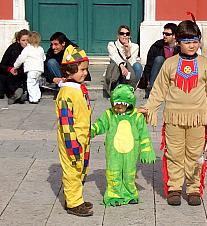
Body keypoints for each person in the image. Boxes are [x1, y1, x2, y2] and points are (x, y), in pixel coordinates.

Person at [139, 20, 207, 206]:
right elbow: (159, 89)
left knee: (195, 155)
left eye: (195, 41)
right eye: (187, 41)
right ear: (178, 42)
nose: (192, 45)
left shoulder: (206, 65)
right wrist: (149, 107)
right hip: (173, 118)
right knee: (174, 153)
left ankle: (193, 188)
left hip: (198, 119)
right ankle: (174, 188)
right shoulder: (169, 64)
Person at [90, 84, 156, 207]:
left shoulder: (136, 117)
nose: (118, 109)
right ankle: (114, 195)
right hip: (113, 151)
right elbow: (100, 125)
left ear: (128, 104)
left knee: (129, 172)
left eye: (121, 107)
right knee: (113, 172)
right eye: (116, 106)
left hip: (131, 152)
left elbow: (143, 135)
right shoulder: (109, 115)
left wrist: (146, 150)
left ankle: (130, 194)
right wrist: (89, 131)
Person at [55, 44, 93, 216]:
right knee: (72, 170)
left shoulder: (77, 88)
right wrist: (72, 144)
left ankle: (76, 197)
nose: (85, 73)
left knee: (80, 169)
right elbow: (66, 122)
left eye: (86, 69)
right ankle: (73, 203)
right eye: (81, 69)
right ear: (69, 71)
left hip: (82, 137)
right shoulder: (66, 93)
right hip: (72, 139)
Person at [141, 23, 179, 98]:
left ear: (174, 36)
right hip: (159, 74)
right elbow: (149, 64)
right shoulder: (157, 46)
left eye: (167, 34)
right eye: (163, 33)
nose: (164, 36)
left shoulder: (180, 48)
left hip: (173, 74)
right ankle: (152, 89)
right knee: (159, 59)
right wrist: (147, 80)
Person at [104, 25, 142, 95]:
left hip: (129, 73)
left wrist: (128, 52)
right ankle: (114, 88)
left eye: (127, 34)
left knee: (137, 66)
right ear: (118, 35)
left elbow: (132, 64)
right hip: (117, 71)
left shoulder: (135, 46)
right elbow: (115, 57)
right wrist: (121, 66)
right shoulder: (112, 45)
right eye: (122, 33)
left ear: (129, 36)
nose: (124, 36)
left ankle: (131, 88)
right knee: (115, 65)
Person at [14, 31, 46, 104]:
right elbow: (44, 58)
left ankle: (33, 99)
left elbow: (21, 58)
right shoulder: (40, 48)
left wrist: (15, 66)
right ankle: (37, 96)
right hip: (39, 70)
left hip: (31, 70)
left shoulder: (27, 49)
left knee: (30, 84)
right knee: (36, 83)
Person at [0, 29, 30, 104]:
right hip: (11, 73)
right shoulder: (12, 48)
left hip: (24, 74)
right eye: (23, 40)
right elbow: (2, 64)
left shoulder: (32, 49)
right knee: (6, 78)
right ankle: (16, 95)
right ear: (18, 40)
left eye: (28, 40)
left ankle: (18, 95)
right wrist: (10, 69)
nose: (26, 43)